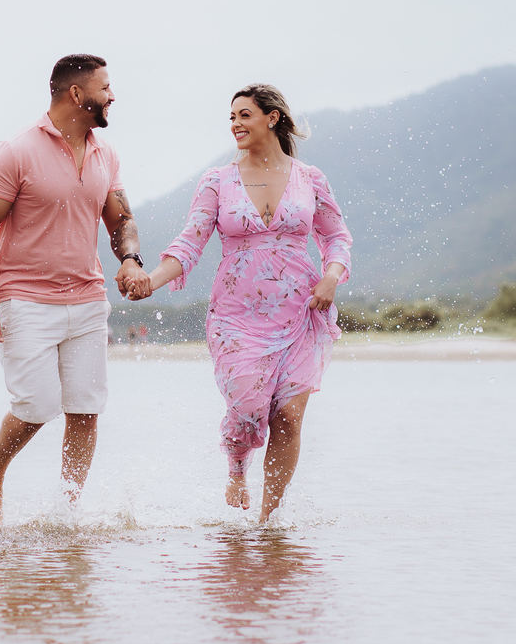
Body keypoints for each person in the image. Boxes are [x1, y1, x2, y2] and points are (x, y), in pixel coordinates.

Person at [132, 84, 352, 522]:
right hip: (236, 316)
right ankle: (236, 466)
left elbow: (336, 236)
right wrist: (151, 282)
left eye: (244, 115)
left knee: (288, 417)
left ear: (272, 118)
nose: (235, 124)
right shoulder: (217, 181)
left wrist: (331, 277)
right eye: (231, 117)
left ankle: (268, 521)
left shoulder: (311, 178)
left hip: (300, 312)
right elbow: (189, 244)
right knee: (249, 406)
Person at [0, 54, 151, 526]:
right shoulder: (16, 151)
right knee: (37, 405)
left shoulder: (106, 155)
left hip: (88, 300)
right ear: (76, 94)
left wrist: (129, 259)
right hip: (25, 299)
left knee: (85, 410)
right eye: (105, 87)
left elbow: (121, 220)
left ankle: (65, 512)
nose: (113, 96)